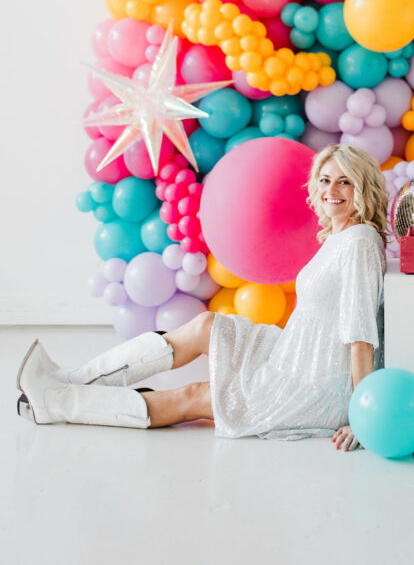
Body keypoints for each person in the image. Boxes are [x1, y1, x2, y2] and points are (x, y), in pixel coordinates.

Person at [17, 144, 388, 452]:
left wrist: (363, 413)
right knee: (208, 325)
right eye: (325, 180)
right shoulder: (338, 238)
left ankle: (57, 402)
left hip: (312, 383)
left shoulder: (359, 242)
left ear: (362, 188)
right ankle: (72, 379)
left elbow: (360, 336)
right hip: (289, 354)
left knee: (198, 396)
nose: (332, 190)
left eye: (345, 182)